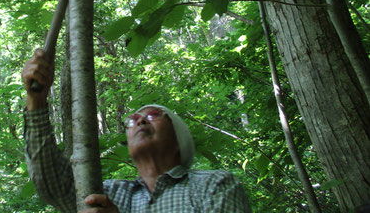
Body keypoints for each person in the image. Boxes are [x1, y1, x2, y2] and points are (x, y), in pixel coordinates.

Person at [22, 49, 251, 212]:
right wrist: (36, 99)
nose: (140, 121)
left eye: (153, 115)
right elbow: (53, 184)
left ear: (180, 139)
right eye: (133, 119)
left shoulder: (213, 185)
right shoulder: (109, 192)